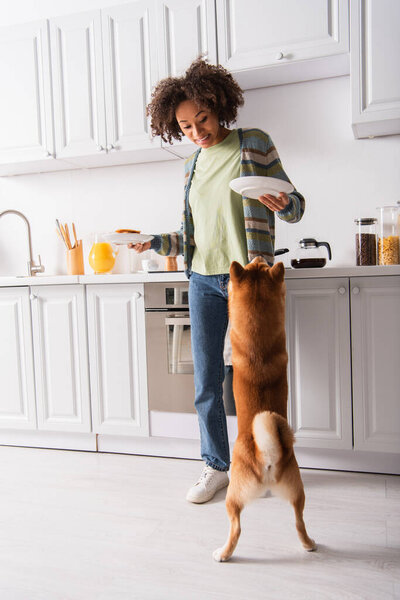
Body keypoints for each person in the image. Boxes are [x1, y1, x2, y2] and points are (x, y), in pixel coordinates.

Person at [131, 58, 305, 504]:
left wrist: (281, 201)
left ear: (218, 105)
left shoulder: (254, 143)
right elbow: (189, 237)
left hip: (251, 282)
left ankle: (267, 463)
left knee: (258, 377)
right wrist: (153, 241)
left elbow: (296, 207)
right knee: (207, 381)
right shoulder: (191, 167)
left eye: (201, 119)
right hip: (203, 280)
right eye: (185, 126)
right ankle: (216, 465)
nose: (196, 131)